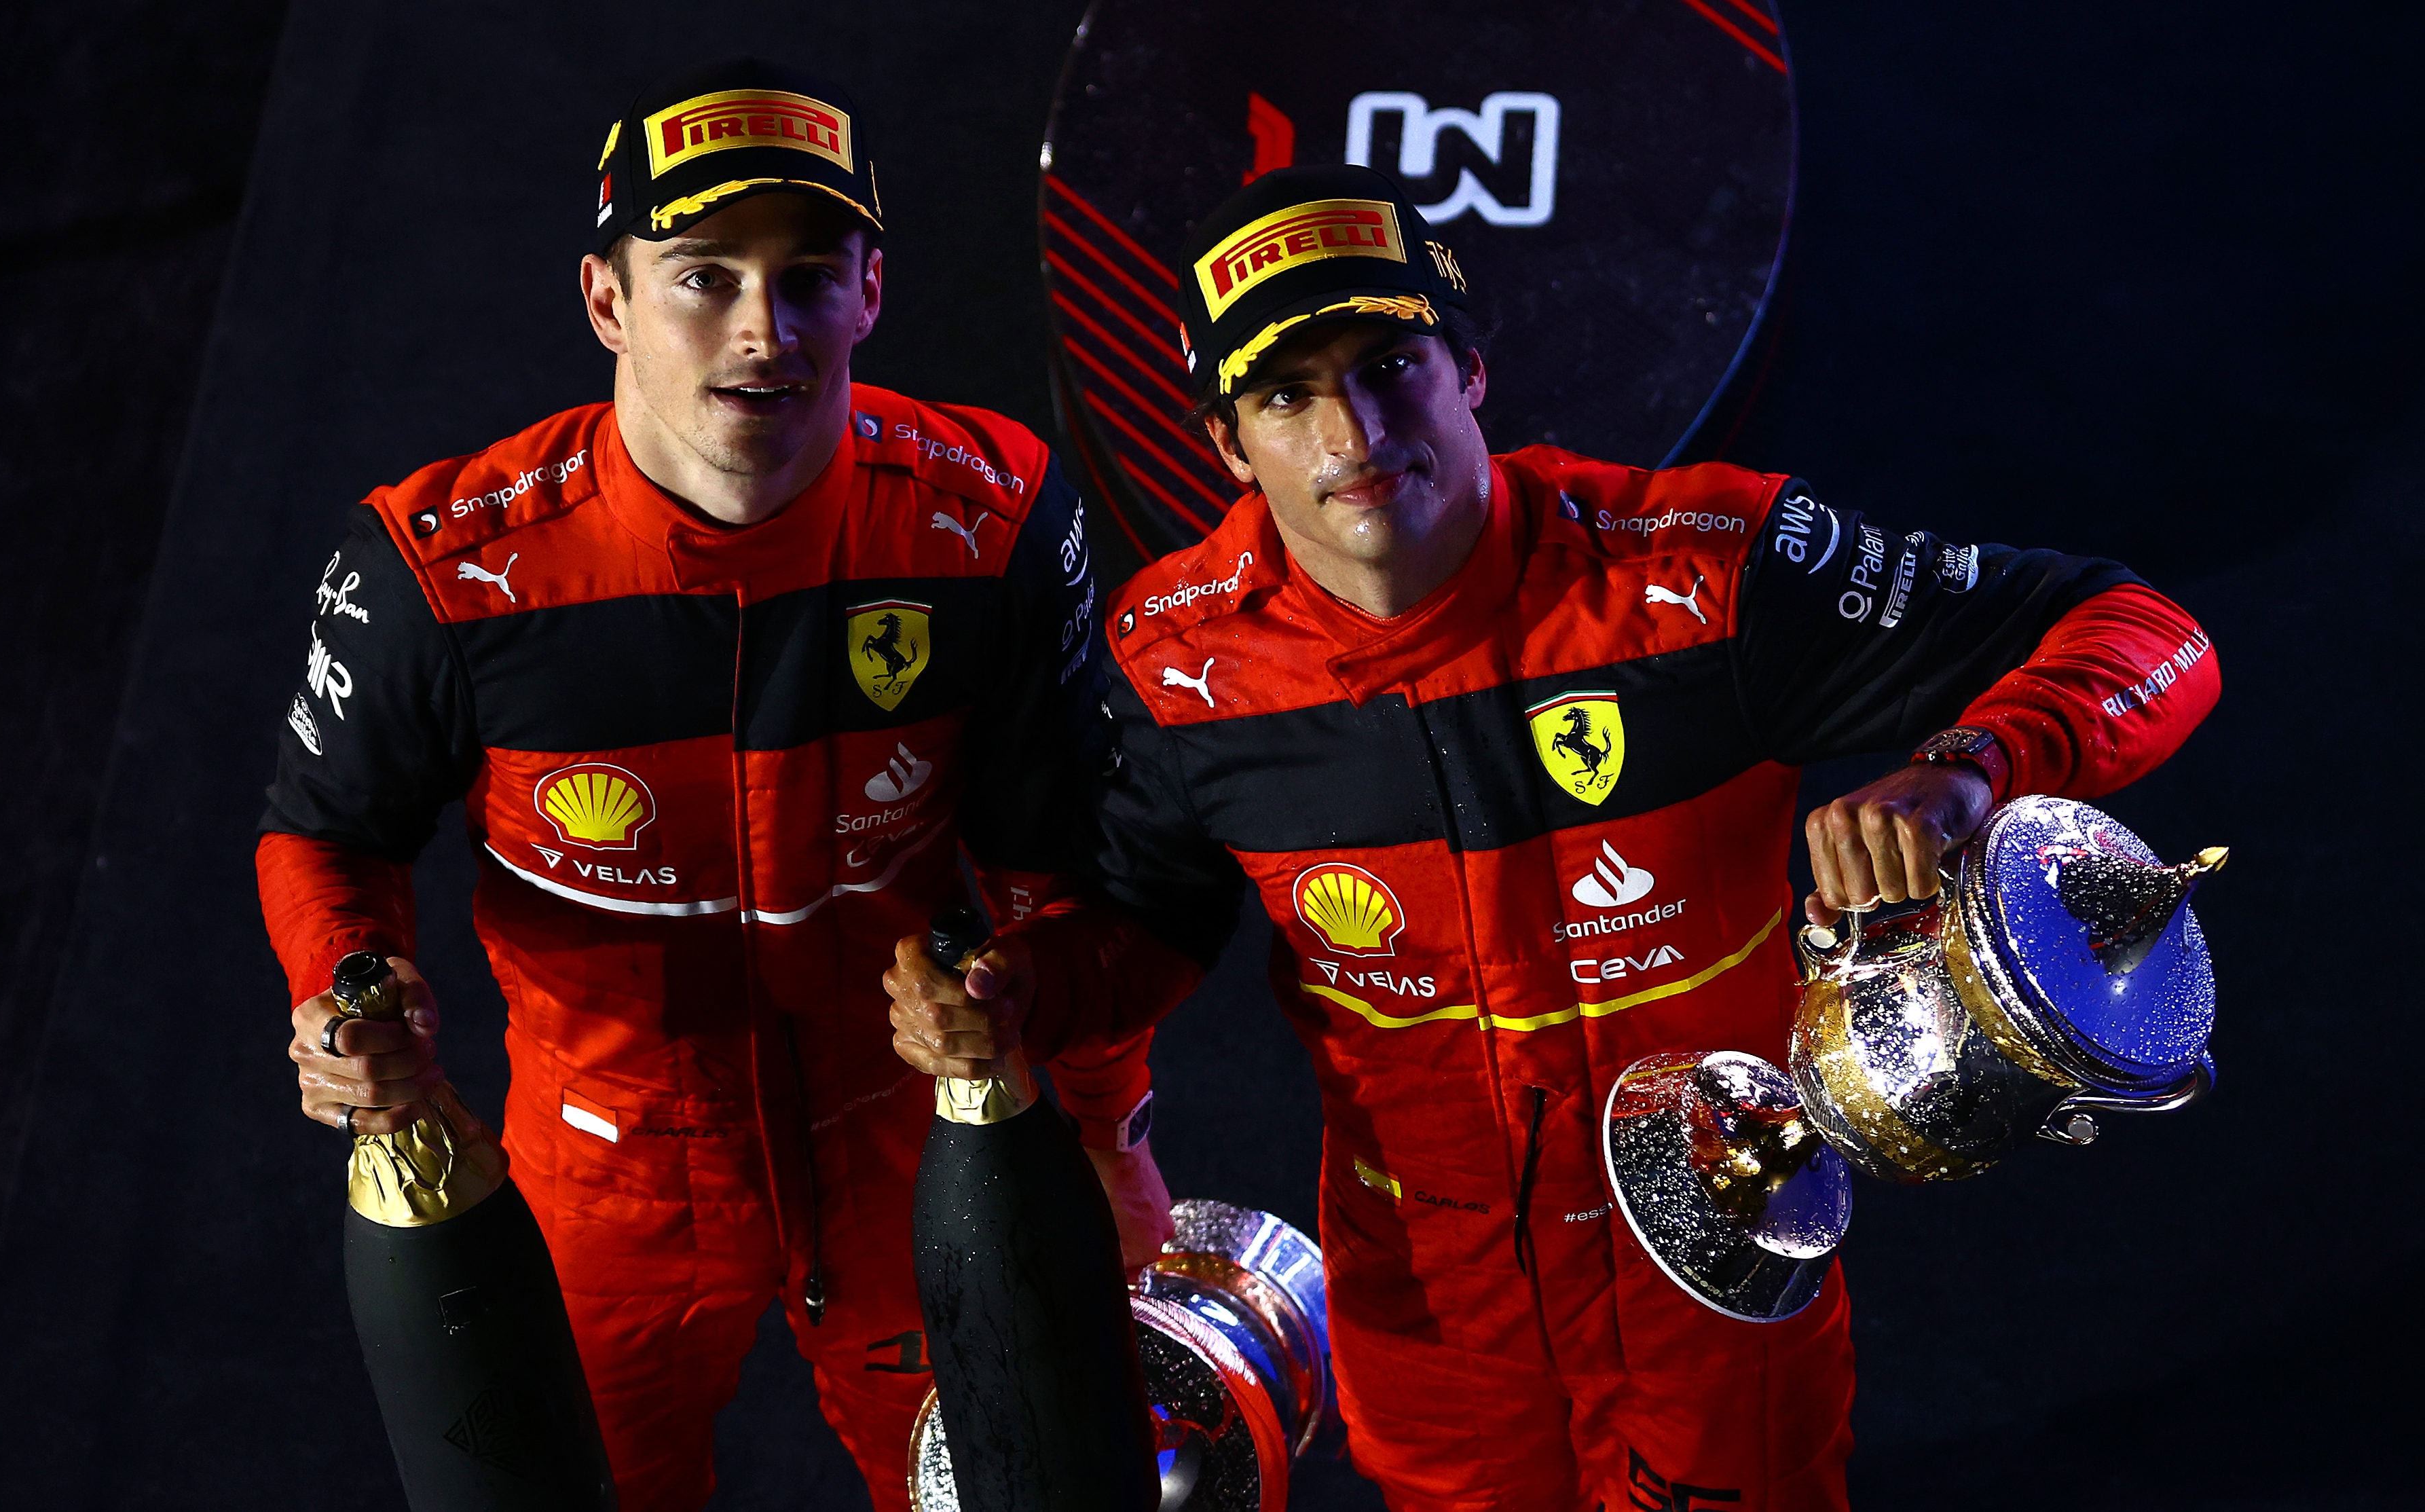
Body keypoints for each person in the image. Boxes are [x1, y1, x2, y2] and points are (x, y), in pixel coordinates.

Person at [884, 164, 2221, 1511]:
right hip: (1433, 1312)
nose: (1352, 428)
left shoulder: (1706, 571)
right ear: (1229, 446)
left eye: (1389, 362)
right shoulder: (1181, 669)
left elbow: (2149, 634)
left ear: (1467, 369)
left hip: (1722, 1261)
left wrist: (1970, 768)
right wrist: (1018, 999)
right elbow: (1129, 934)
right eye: (1287, 395)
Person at [258, 58, 1168, 1511]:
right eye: (704, 276)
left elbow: (1069, 858)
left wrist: (1110, 1133)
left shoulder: (988, 513)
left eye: (811, 276)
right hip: (604, 1167)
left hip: (919, 1132)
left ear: (873, 292)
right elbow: (326, 831)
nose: (765, 329)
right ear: (608, 299)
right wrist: (349, 986)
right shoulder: (437, 561)